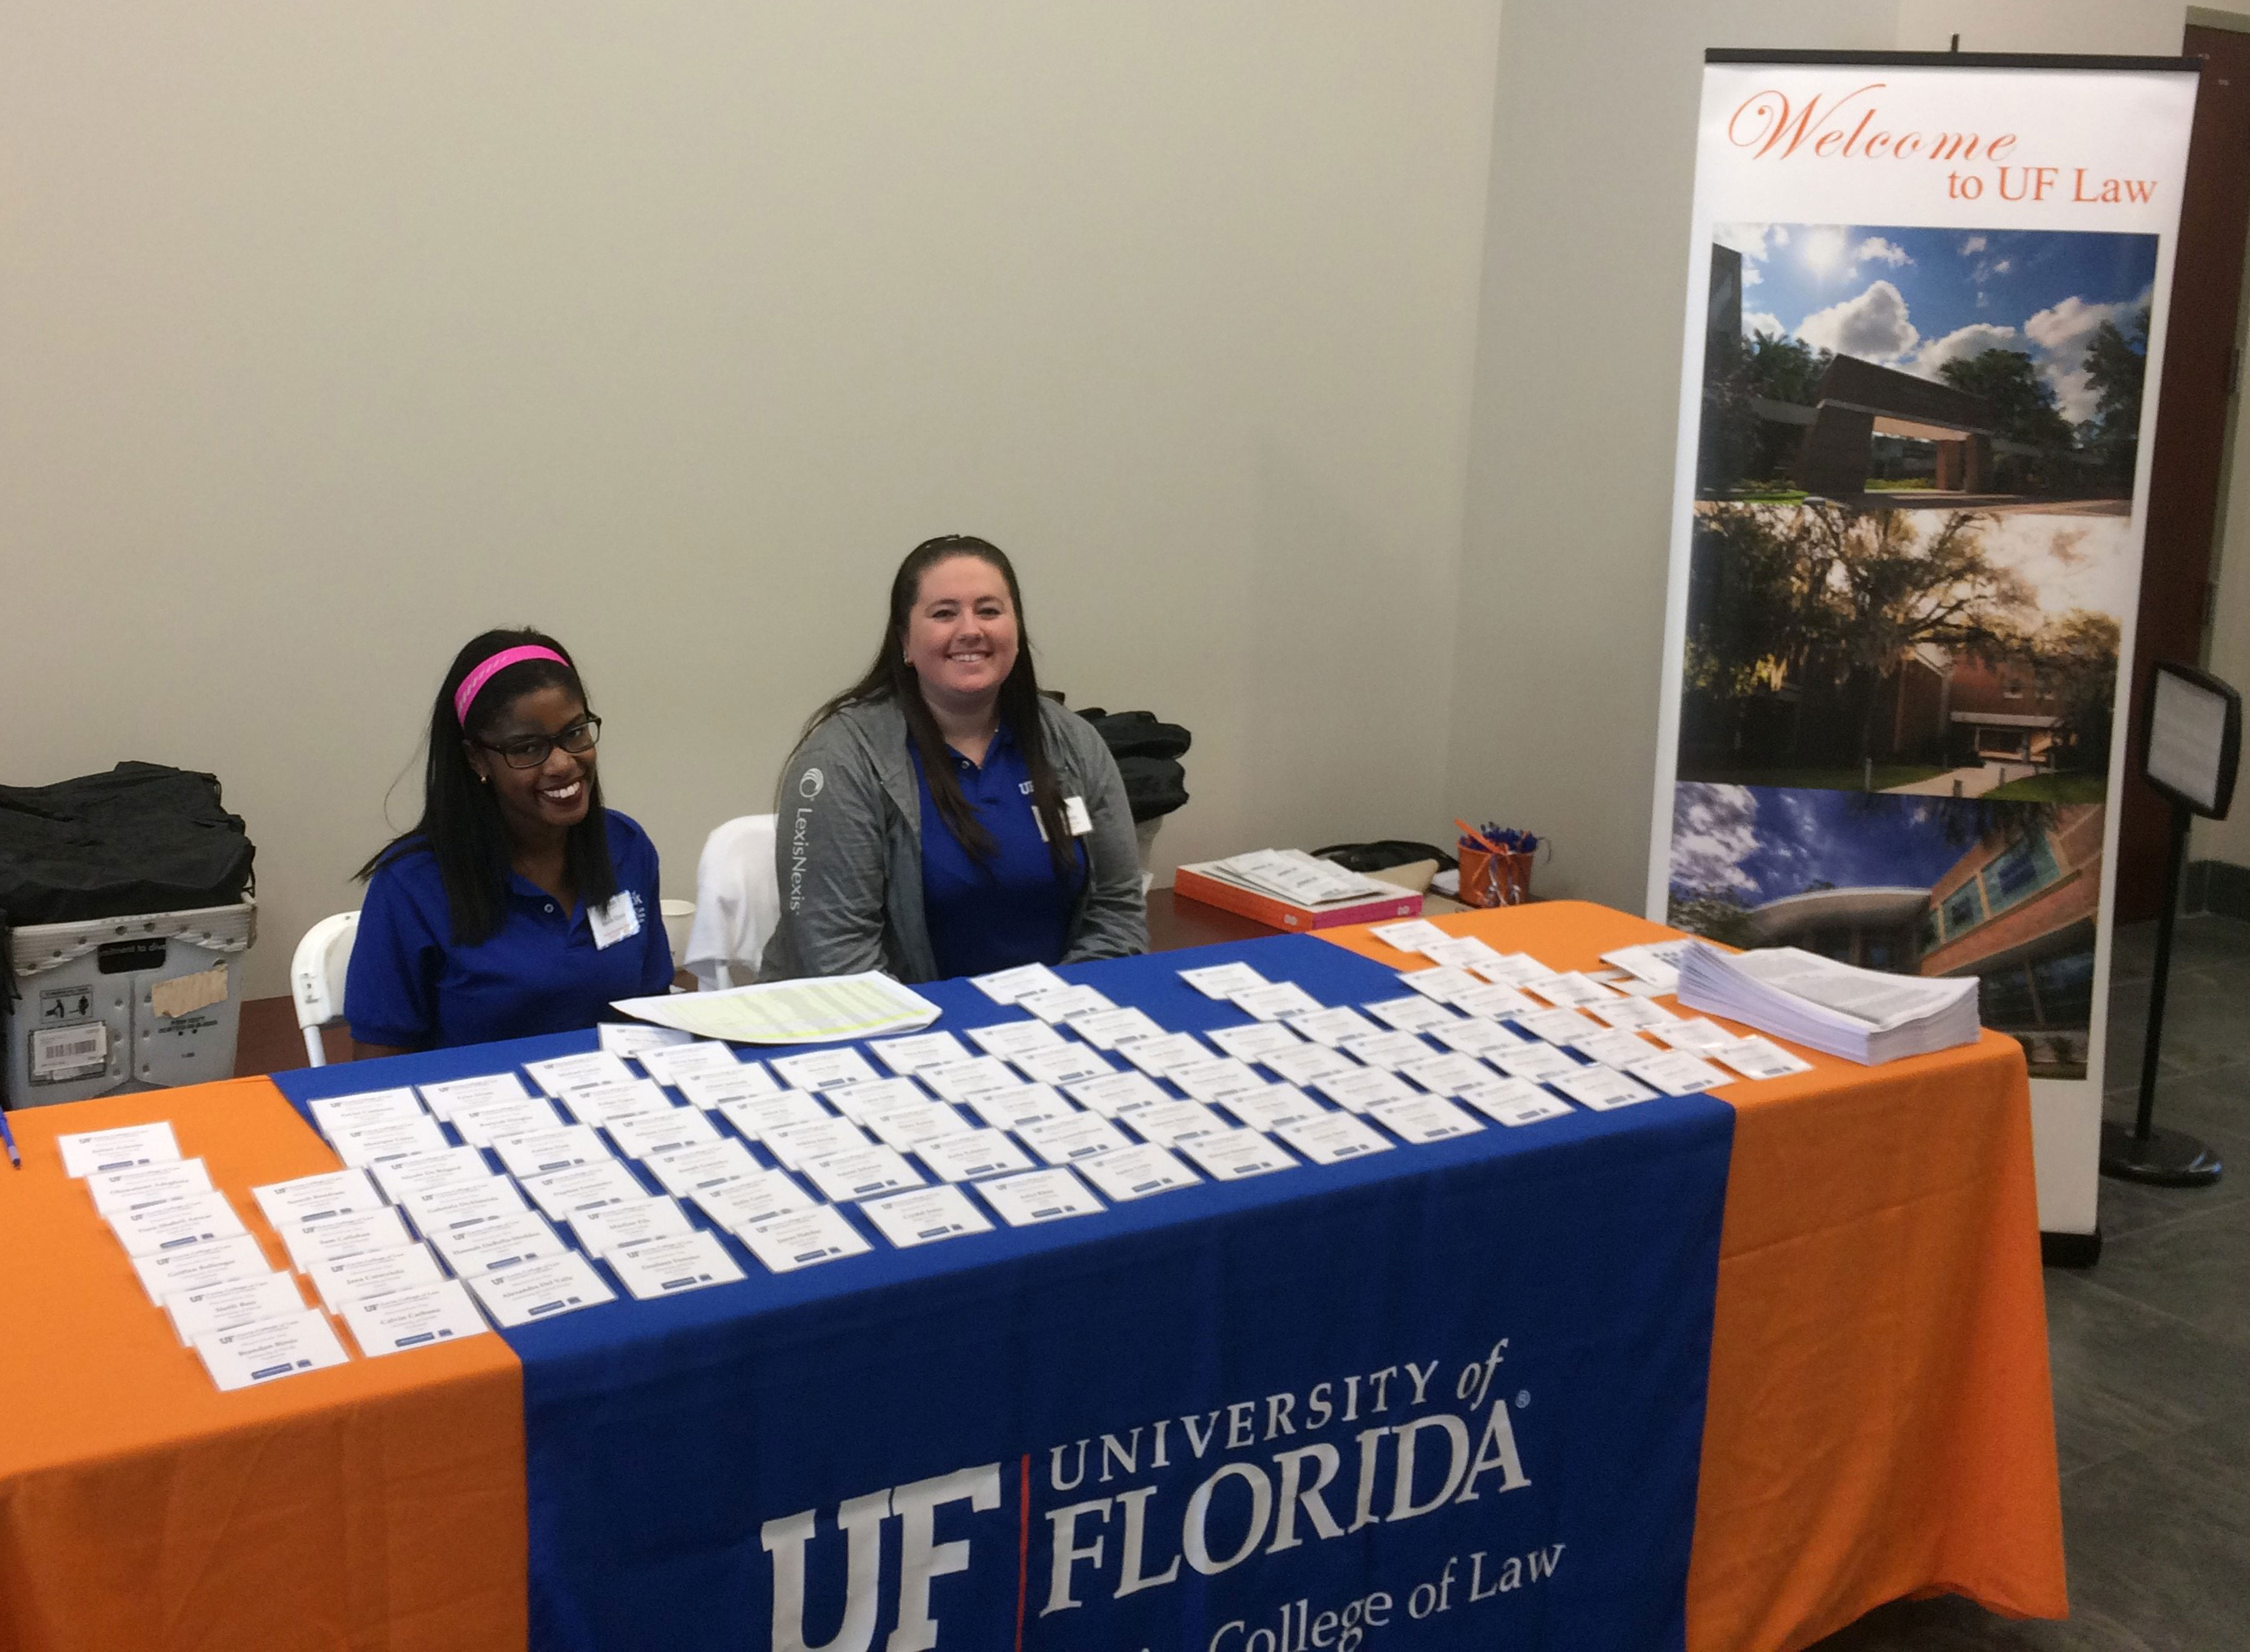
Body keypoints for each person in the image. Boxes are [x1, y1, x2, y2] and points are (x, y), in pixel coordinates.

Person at [762, 535, 1147, 983]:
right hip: (897, 1028)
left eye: (989, 610)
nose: (970, 629)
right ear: (905, 640)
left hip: (1050, 1021)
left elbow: (1118, 912)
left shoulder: (1072, 743)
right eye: (944, 613)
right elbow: (838, 961)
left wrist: (1055, 1009)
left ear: (1016, 631)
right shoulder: (841, 760)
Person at [346, 629, 673, 1054]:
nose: (563, 764)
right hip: (478, 1110)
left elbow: (654, 1014)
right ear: (477, 758)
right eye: (527, 748)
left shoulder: (626, 848)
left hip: (616, 1106)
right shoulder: (413, 884)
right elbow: (377, 1071)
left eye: (575, 733)